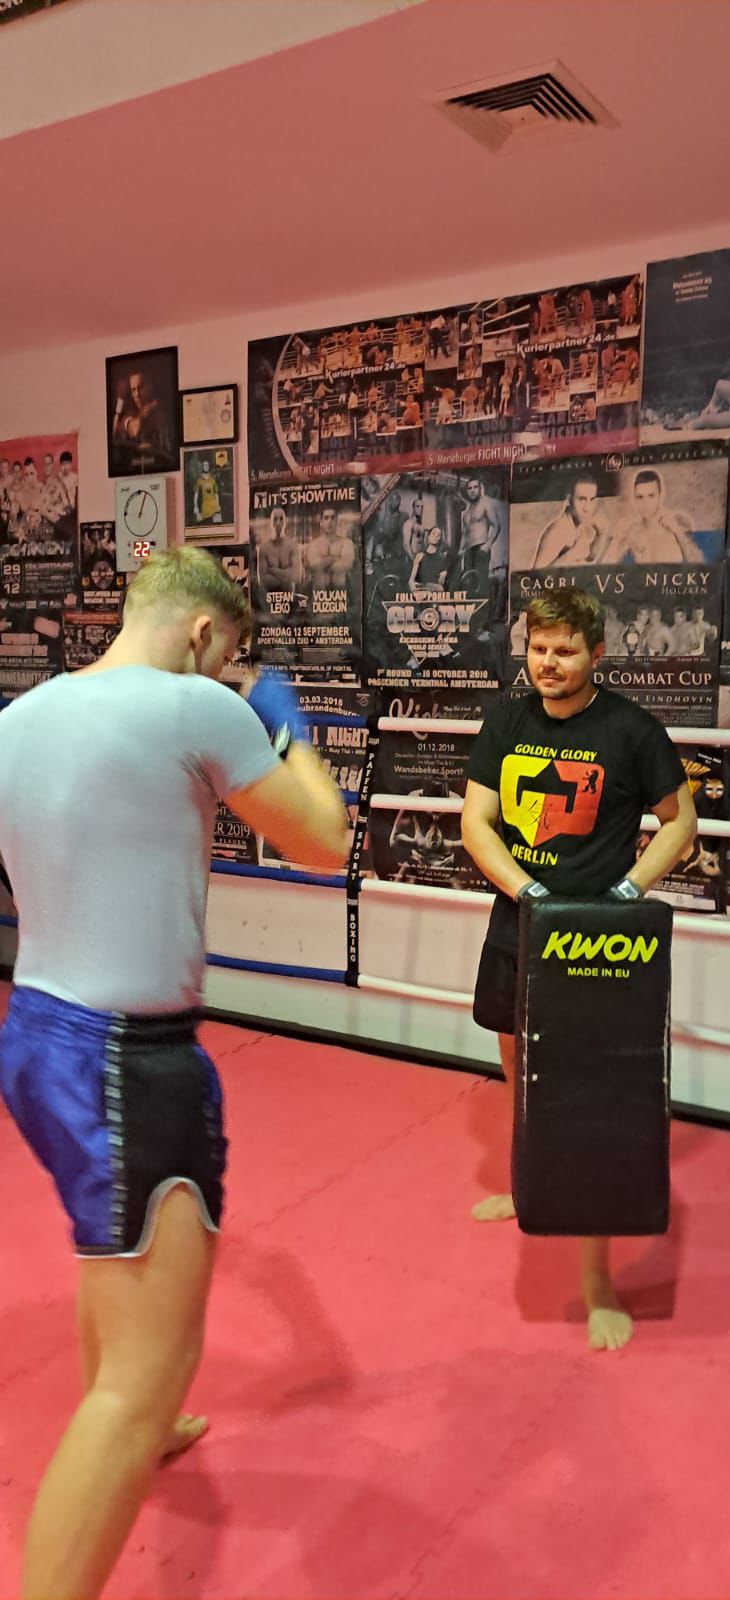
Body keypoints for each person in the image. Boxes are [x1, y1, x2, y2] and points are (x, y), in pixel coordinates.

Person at [0, 547, 346, 1600]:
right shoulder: (199, 703)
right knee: (145, 1381)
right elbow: (324, 841)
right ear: (203, 634)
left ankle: (144, 1427)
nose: (226, 669)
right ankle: (133, 1427)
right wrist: (286, 727)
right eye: (226, 653)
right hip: (126, 1061)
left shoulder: (22, 717)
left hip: (36, 1032)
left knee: (112, 1249)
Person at [461, 588, 696, 1351]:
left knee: (591, 1099)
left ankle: (598, 1280)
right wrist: (528, 894)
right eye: (539, 648)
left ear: (597, 653)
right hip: (519, 925)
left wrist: (628, 892)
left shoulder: (630, 729)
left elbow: (681, 824)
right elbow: (476, 822)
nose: (549, 663)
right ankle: (528, 1184)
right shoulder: (507, 722)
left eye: (565, 650)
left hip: (595, 943)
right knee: (519, 1073)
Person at [608, 470, 703, 563]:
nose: (645, 503)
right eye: (640, 497)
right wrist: (616, 540)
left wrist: (677, 531)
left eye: (651, 496)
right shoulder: (633, 532)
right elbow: (606, 566)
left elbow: (699, 562)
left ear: (660, 495)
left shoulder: (678, 521)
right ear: (634, 499)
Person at [532, 473, 613, 568]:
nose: (587, 508)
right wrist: (571, 555)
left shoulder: (580, 523)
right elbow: (537, 574)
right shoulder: (558, 530)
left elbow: (589, 558)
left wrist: (600, 535)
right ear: (569, 500)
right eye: (582, 499)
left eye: (591, 500)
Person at [193, 460, 222, 525]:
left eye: (207, 465)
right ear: (202, 467)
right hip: (204, 509)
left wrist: (218, 505)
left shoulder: (212, 480)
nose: (206, 466)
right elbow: (196, 495)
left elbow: (216, 494)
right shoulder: (199, 480)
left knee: (217, 526)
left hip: (214, 508)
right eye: (204, 465)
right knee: (204, 526)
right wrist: (195, 507)